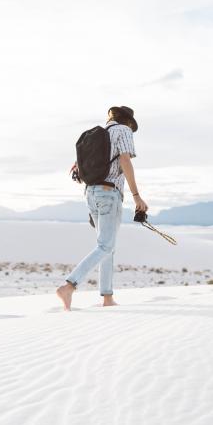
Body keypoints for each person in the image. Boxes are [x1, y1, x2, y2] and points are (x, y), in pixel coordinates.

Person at [56, 105, 149, 311]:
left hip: (91, 194)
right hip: (109, 193)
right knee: (106, 246)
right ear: (127, 121)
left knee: (107, 247)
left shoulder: (96, 136)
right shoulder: (123, 131)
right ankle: (69, 285)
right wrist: (136, 196)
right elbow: (125, 160)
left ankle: (107, 298)